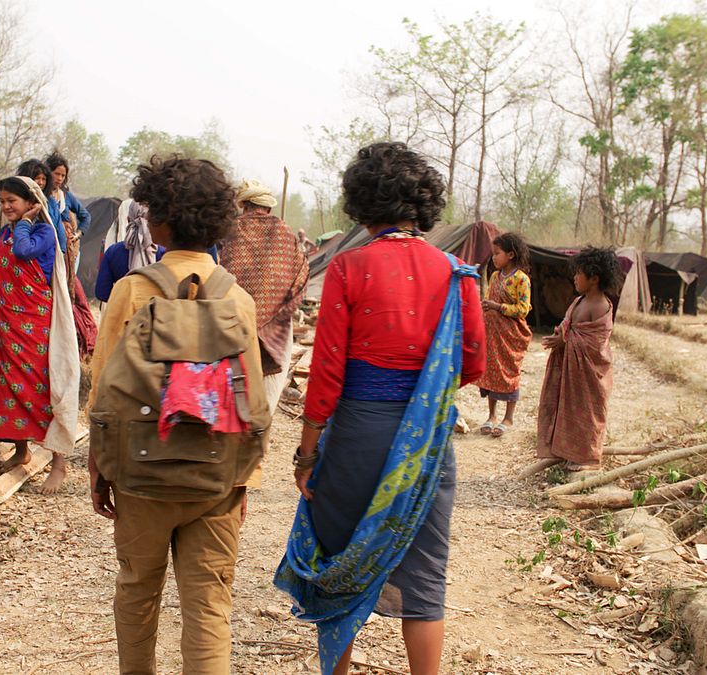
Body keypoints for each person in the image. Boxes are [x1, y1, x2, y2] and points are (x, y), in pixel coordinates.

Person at [274, 142, 486, 675]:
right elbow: (474, 365)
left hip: (356, 436)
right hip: (427, 442)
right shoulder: (457, 275)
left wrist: (306, 454)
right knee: (426, 574)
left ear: (361, 202)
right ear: (423, 203)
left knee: (340, 557)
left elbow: (326, 375)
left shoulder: (349, 268)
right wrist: (422, 391)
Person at [88, 155, 263, 675]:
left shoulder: (132, 290)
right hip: (215, 480)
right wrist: (242, 480)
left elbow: (102, 392)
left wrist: (100, 469)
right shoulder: (237, 299)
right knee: (209, 606)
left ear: (158, 220)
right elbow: (251, 401)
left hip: (141, 475)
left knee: (137, 593)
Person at [0, 177, 79, 494]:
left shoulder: (43, 232)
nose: (6, 207)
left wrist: (28, 221)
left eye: (12, 201)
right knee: (7, 389)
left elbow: (23, 252)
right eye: (3, 200)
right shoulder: (5, 232)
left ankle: (59, 463)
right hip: (3, 325)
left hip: (33, 326)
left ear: (30, 203)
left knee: (42, 389)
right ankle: (21, 452)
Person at [219, 179, 310, 414]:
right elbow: (301, 275)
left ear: (244, 205)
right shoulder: (283, 230)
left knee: (232, 387)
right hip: (276, 326)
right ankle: (261, 433)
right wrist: (282, 312)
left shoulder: (230, 230)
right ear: (267, 207)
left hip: (232, 320)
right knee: (268, 393)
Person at [537, 246, 620, 472]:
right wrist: (560, 335)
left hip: (589, 374)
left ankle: (589, 458)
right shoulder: (579, 302)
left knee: (588, 412)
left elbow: (595, 343)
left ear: (593, 278)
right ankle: (569, 451)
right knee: (570, 409)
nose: (573, 278)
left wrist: (566, 341)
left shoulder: (601, 306)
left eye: (578, 274)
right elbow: (568, 325)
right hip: (572, 371)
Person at [18, 158, 97, 359]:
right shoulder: (28, 202)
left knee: (72, 298)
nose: (58, 179)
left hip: (62, 257)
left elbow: (83, 217)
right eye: (56, 174)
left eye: (62, 175)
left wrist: (77, 234)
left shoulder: (60, 199)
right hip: (40, 259)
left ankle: (82, 345)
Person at [475, 232, 533, 438]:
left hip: (511, 335)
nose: (493, 257)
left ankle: (508, 417)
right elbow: (489, 300)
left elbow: (523, 309)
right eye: (493, 253)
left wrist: (497, 307)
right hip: (492, 334)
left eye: (497, 253)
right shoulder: (494, 276)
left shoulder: (521, 279)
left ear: (510, 254)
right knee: (491, 371)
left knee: (509, 372)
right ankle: (491, 415)